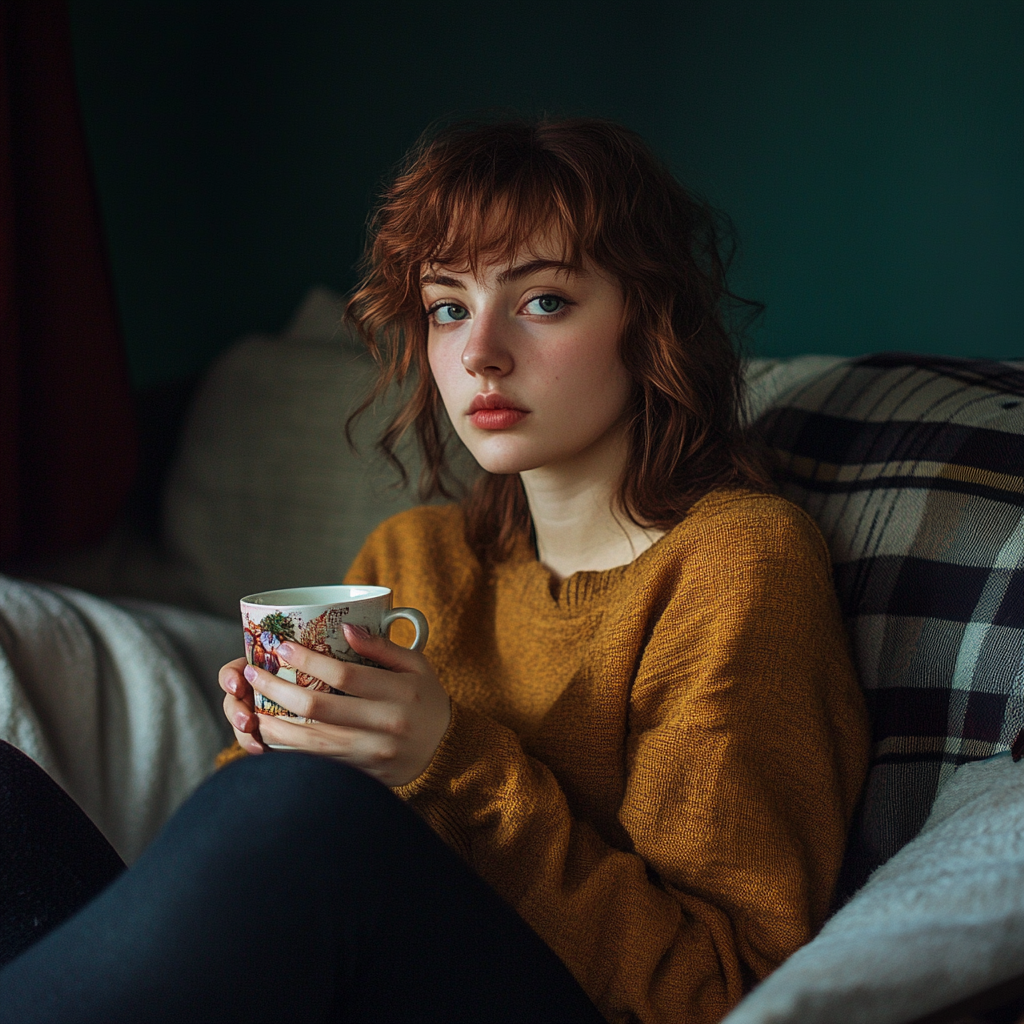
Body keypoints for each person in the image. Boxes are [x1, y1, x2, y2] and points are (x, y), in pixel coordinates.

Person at [0, 118, 870, 1024]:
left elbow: (715, 990)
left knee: (297, 814)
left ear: (649, 320)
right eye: (449, 307)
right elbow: (258, 874)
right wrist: (271, 745)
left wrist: (444, 760)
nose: (479, 352)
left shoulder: (736, 565)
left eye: (543, 301)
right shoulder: (415, 557)